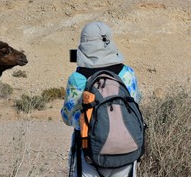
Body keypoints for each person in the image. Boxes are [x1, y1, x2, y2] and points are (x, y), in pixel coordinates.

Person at [61, 21, 142, 177]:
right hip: (126, 149)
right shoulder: (128, 73)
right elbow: (136, 103)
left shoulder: (77, 78)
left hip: (89, 151)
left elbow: (68, 118)